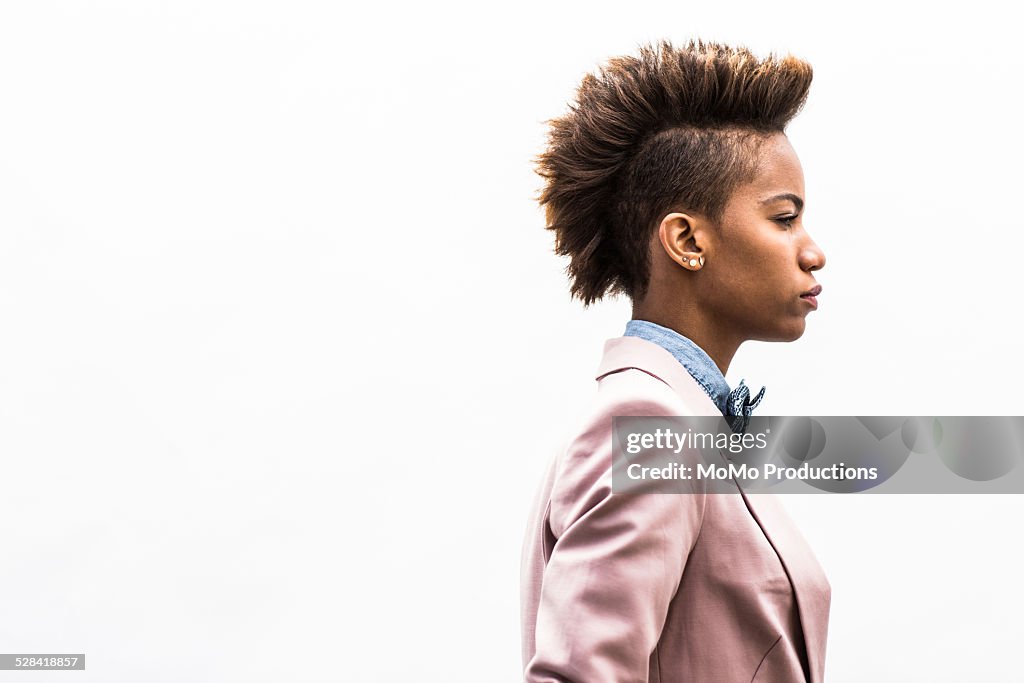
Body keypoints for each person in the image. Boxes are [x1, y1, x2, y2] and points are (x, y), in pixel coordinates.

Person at [520, 39, 831, 682]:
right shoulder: (651, 424)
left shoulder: (686, 425)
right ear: (687, 240)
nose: (813, 252)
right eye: (783, 219)